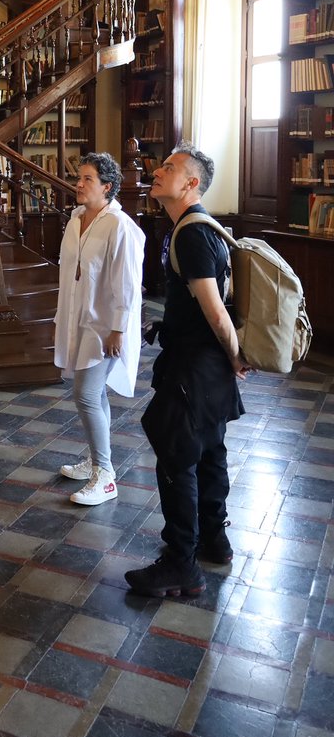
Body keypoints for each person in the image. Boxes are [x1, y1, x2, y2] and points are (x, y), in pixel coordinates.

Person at [125, 141, 249, 600]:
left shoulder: (192, 233)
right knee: (210, 450)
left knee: (178, 459)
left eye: (170, 168)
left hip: (195, 370)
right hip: (206, 368)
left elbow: (216, 312)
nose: (158, 171)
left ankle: (181, 563)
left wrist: (236, 355)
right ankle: (213, 540)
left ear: (191, 183)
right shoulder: (198, 228)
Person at [54, 152, 146, 505]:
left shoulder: (119, 226)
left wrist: (118, 329)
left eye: (87, 179)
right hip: (80, 318)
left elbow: (126, 283)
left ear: (107, 186)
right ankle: (95, 460)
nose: (78, 183)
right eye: (79, 177)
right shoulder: (76, 218)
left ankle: (105, 476)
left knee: (87, 394)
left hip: (105, 325)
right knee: (95, 394)